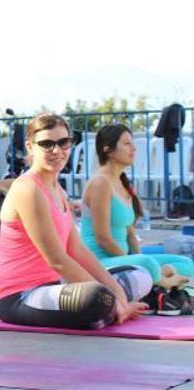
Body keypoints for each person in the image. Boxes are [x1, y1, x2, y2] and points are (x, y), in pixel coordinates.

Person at [0, 113, 152, 329]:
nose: (57, 151)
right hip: (21, 296)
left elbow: (77, 250)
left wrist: (116, 291)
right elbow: (57, 259)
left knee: (140, 275)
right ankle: (110, 310)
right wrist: (111, 296)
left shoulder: (58, 190)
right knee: (97, 297)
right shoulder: (27, 188)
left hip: (57, 286)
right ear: (30, 147)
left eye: (63, 142)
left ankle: (111, 310)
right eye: (47, 144)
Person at [81, 124, 192, 290]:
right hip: (100, 263)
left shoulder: (122, 183)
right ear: (108, 150)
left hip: (124, 259)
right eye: (126, 144)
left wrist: (137, 260)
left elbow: (130, 234)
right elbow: (102, 239)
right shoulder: (100, 183)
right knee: (147, 262)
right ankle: (163, 282)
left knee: (186, 262)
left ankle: (160, 274)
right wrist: (136, 263)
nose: (133, 148)